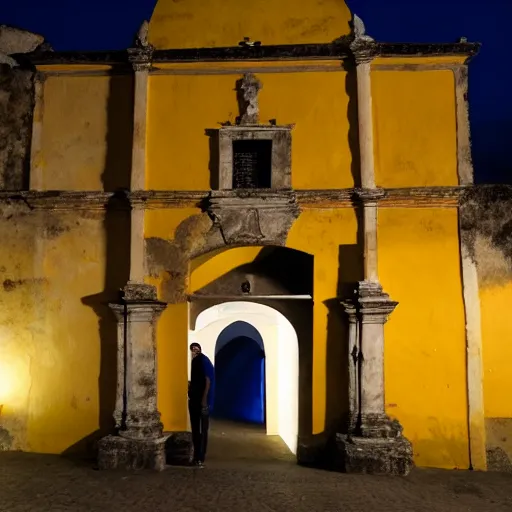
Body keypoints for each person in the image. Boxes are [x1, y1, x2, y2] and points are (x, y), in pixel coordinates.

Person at [188, 342, 215, 467]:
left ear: (199, 349)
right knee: (199, 430)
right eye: (192, 349)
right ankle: (198, 458)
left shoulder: (200, 360)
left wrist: (203, 400)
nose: (193, 351)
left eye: (195, 349)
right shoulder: (200, 360)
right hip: (196, 400)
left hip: (200, 402)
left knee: (200, 431)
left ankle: (199, 458)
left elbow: (207, 381)